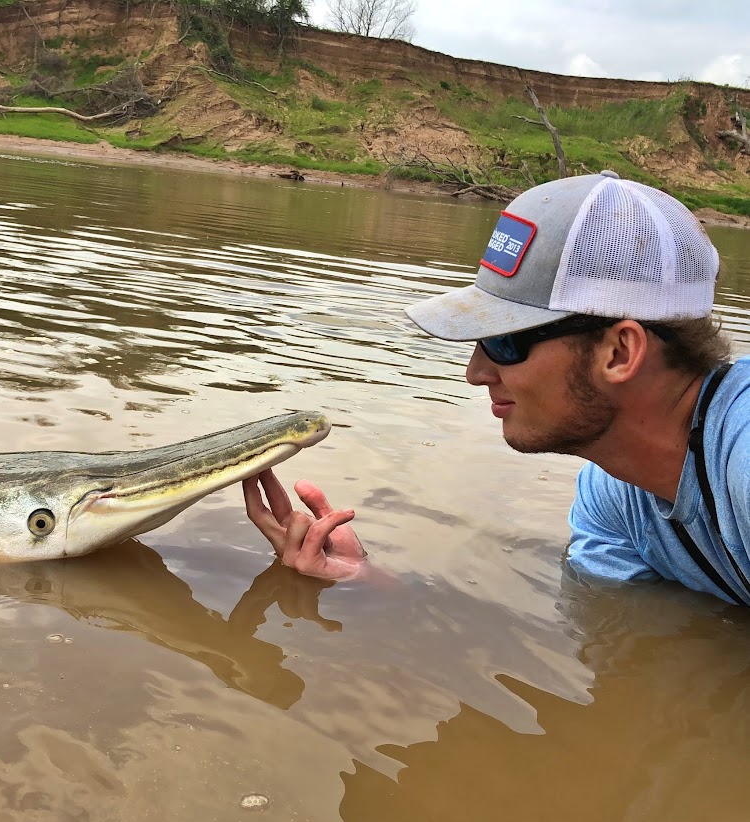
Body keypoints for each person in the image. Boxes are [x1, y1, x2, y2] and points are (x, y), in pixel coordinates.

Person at [242, 171, 750, 606]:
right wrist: (367, 582)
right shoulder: (613, 497)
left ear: (618, 352)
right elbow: (639, 657)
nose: (476, 372)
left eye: (504, 341)